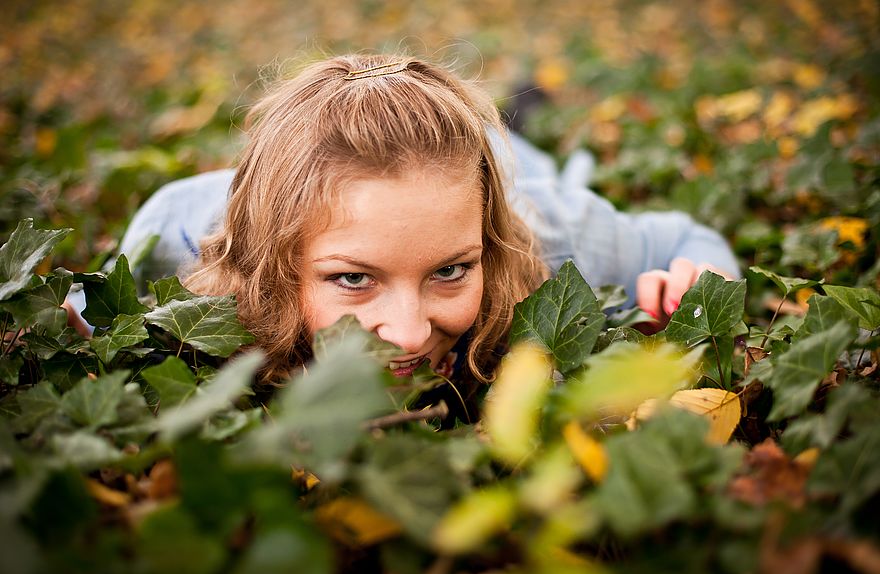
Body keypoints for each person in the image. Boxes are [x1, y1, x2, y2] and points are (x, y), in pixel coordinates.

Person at [65, 53, 739, 396]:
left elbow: (685, 239)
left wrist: (695, 280)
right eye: (354, 278)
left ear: (487, 241)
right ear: (274, 260)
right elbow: (85, 317)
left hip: (516, 168)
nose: (412, 331)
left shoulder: (544, 237)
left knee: (529, 154)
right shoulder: (175, 249)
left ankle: (519, 117)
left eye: (451, 269)